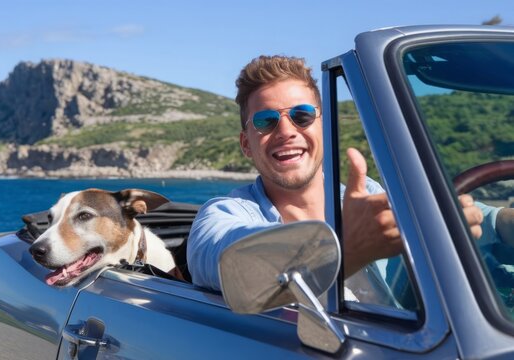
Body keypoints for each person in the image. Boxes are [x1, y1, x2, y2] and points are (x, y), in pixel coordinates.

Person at [187, 55, 486, 292]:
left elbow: (439, 210)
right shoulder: (223, 215)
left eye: (302, 115)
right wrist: (346, 247)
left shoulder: (370, 194)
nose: (286, 131)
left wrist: (501, 221)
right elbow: (224, 262)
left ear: (324, 125)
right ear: (246, 145)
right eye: (266, 121)